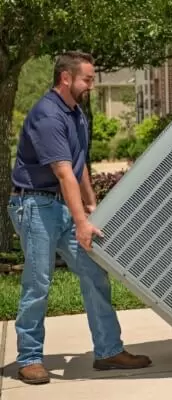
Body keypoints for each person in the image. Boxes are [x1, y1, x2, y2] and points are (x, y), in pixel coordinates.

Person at [8, 51, 151, 385]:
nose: (92, 85)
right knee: (39, 282)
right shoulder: (48, 114)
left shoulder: (76, 114)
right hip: (34, 205)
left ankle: (108, 351)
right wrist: (82, 221)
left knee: (93, 271)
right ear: (66, 78)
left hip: (60, 206)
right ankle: (29, 358)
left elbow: (78, 166)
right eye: (87, 78)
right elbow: (62, 173)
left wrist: (91, 206)